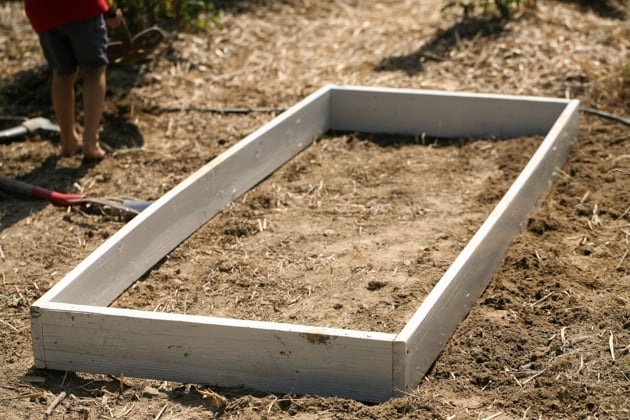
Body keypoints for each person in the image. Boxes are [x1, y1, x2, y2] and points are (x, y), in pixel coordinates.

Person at [23, 0, 122, 159]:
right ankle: (90, 142)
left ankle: (68, 141)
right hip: (82, 7)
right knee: (94, 70)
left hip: (42, 12)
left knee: (62, 74)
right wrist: (110, 10)